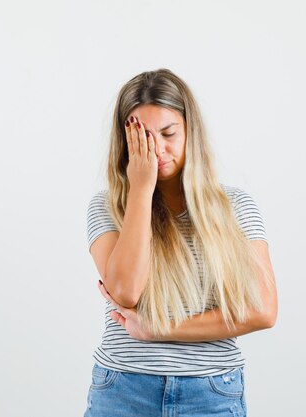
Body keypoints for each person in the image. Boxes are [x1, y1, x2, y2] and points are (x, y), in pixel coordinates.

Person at [84, 68, 278, 417]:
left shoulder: (235, 206)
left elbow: (262, 311)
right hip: (125, 388)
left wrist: (159, 330)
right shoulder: (108, 206)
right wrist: (141, 189)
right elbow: (127, 292)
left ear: (191, 132)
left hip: (212, 392)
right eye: (141, 138)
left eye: (169, 133)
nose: (156, 149)